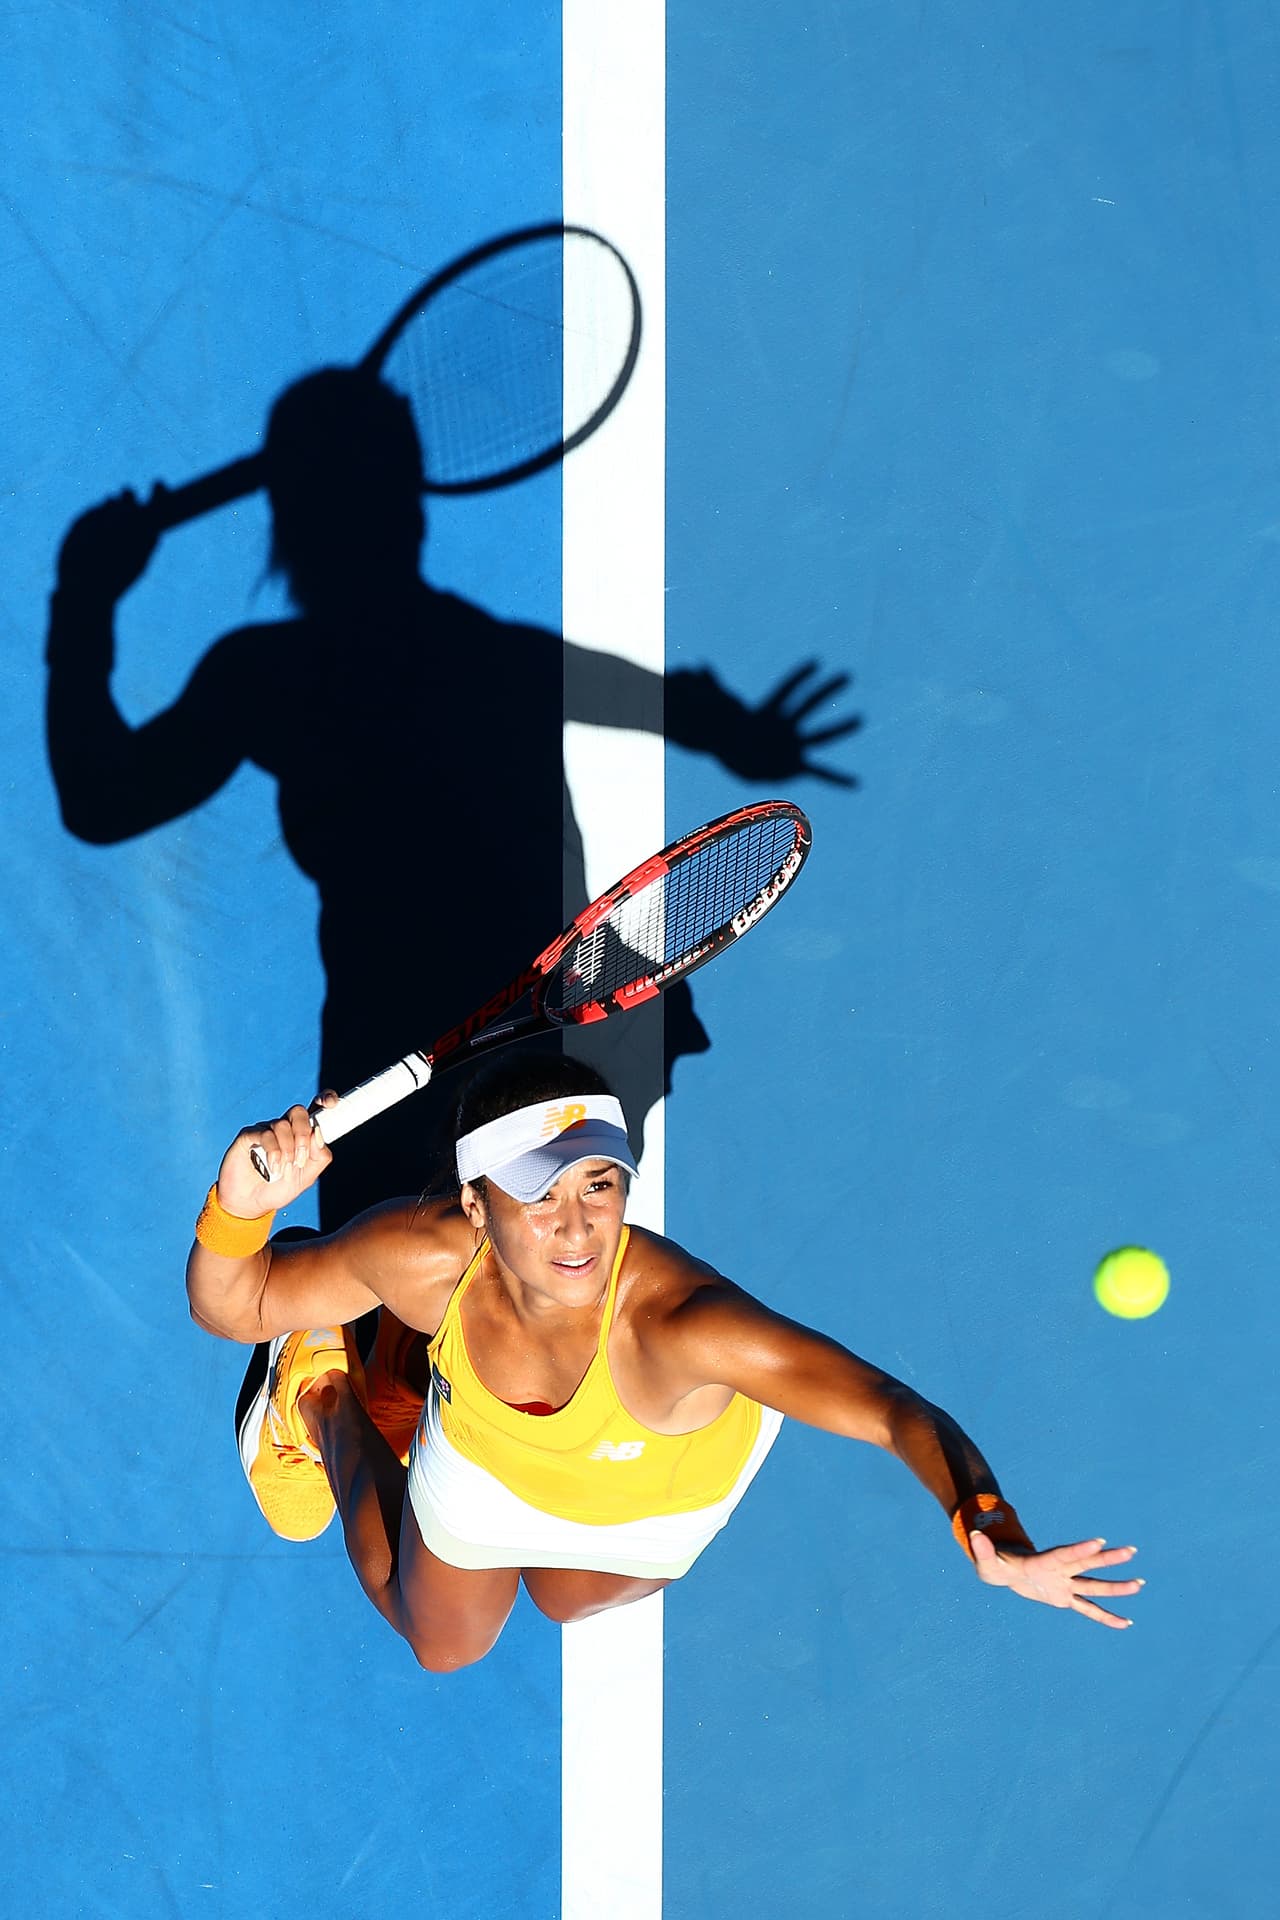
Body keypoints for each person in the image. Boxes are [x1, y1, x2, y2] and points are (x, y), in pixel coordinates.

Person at [186, 1053, 1143, 1673]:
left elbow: (892, 1410)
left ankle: (384, 1362)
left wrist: (989, 1523)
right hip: (491, 1452)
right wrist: (240, 1203)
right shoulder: (422, 1255)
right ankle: (320, 1390)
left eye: (600, 1183)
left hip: (662, 1490)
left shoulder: (686, 1328)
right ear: (475, 1207)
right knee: (446, 1641)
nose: (577, 1225)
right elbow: (235, 1302)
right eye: (538, 1194)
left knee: (563, 1596)